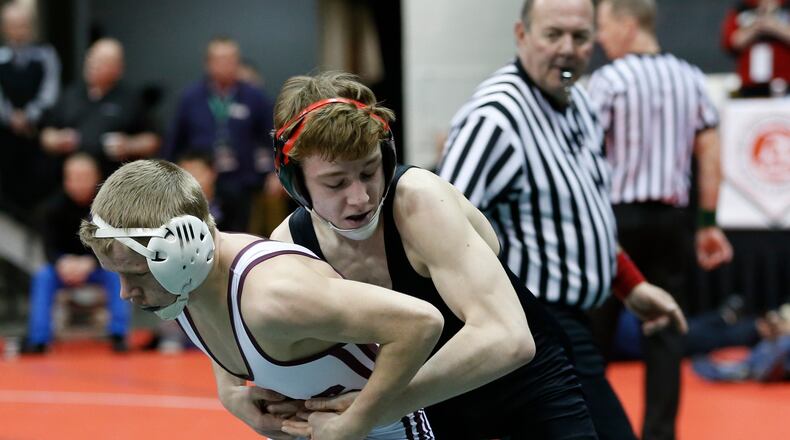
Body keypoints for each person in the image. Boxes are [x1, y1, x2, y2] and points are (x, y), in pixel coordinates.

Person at [264, 71, 598, 439]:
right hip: (429, 402)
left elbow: (508, 338)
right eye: (336, 182)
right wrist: (245, 401)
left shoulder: (418, 201)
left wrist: (371, 410)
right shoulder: (290, 247)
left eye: (369, 171)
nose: (360, 197)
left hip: (524, 388)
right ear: (295, 183)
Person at [437, 1, 688, 439]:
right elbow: (436, 231)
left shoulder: (581, 105)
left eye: (580, 36)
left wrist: (632, 286)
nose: (568, 49)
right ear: (522, 35)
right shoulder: (495, 118)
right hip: (534, 327)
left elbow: (583, 216)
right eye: (553, 35)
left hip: (577, 321)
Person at [78, 159, 443, 440]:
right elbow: (221, 325)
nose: (126, 292)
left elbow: (420, 323)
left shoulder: (273, 296)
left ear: (184, 251)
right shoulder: (184, 282)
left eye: (135, 274)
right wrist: (231, 395)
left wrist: (361, 418)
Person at [587, 1, 734, 438]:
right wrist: (708, 222)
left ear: (629, 26)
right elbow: (709, 153)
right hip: (672, 220)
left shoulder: (608, 80)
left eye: (604, 27)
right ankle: (660, 433)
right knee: (666, 332)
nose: (598, 38)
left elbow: (584, 155)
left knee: (595, 333)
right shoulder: (690, 77)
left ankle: (590, 426)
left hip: (615, 222)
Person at [165, 37, 276, 232]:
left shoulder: (254, 96)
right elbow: (175, 140)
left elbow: (271, 136)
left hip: (242, 180)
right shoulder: (190, 97)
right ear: (208, 63)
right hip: (199, 179)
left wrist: (276, 173)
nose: (226, 65)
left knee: (239, 233)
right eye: (220, 59)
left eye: (231, 60)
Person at [22, 153, 129, 354]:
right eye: (74, 177)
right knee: (43, 276)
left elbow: (115, 246)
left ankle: (118, 334)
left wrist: (91, 262)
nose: (79, 183)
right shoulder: (51, 209)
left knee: (117, 275)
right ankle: (39, 338)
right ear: (66, 179)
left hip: (99, 266)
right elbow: (48, 249)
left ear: (96, 177)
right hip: (64, 269)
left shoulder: (108, 209)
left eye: (84, 177)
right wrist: (62, 263)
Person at [39, 38, 160, 178]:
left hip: (113, 181)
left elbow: (153, 140)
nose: (93, 64)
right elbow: (45, 135)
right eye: (91, 58)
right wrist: (57, 140)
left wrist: (128, 145)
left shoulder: (130, 99)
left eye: (102, 61)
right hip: (71, 180)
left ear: (118, 69)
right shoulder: (71, 94)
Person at [0, 2, 60, 215]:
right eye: (14, 25)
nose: (20, 31)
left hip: (37, 131)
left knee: (38, 180)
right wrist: (10, 117)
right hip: (5, 134)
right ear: (5, 27)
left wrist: (29, 115)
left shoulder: (45, 54)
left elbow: (50, 91)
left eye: (24, 25)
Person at [722, 0, 790, 97]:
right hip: (751, 85)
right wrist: (757, 24)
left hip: (785, 82)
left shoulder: (787, 7)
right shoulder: (742, 9)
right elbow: (731, 42)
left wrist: (775, 26)